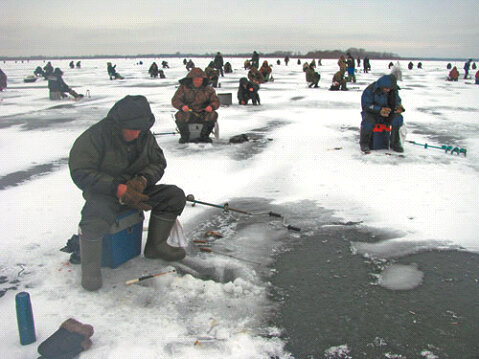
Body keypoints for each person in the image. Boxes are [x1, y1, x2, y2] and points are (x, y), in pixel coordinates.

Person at [69, 95, 186, 291]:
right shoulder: (95, 137)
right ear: (119, 124)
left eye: (141, 130)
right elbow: (81, 172)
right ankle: (90, 269)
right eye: (132, 130)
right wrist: (116, 188)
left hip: (138, 191)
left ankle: (156, 246)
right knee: (94, 216)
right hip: (105, 193)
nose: (137, 134)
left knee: (173, 196)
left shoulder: (144, 135)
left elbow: (157, 163)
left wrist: (142, 180)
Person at [171, 68, 220, 143]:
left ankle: (204, 136)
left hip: (203, 111)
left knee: (213, 115)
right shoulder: (183, 88)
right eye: (196, 80)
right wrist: (182, 106)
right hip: (189, 111)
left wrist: (211, 106)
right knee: (179, 115)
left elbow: (216, 101)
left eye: (200, 80)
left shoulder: (209, 89)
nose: (198, 82)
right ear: (191, 79)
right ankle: (185, 137)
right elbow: (175, 100)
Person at [360, 74, 405, 153]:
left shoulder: (393, 91)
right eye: (386, 88)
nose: (388, 90)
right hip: (372, 113)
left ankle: (395, 143)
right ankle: (364, 144)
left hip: (388, 113)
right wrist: (379, 110)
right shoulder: (370, 90)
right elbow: (366, 106)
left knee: (398, 119)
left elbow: (397, 101)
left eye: (389, 89)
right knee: (367, 121)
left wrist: (398, 107)